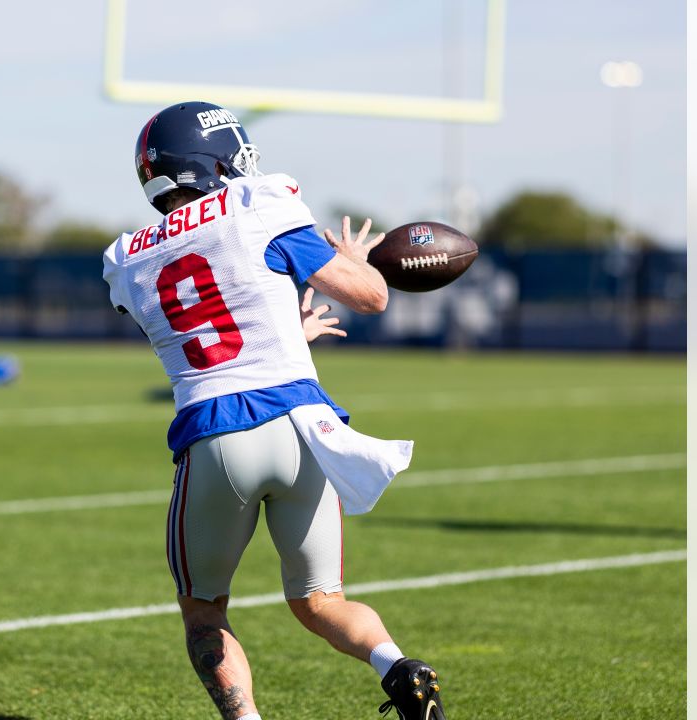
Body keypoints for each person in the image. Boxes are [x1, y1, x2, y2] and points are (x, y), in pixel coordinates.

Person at [102, 102, 446, 720]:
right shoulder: (259, 201)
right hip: (304, 430)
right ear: (216, 159)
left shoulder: (126, 258)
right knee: (322, 600)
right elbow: (369, 297)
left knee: (204, 610)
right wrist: (357, 265)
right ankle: (399, 667)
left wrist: (288, 332)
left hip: (216, 436)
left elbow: (206, 324)